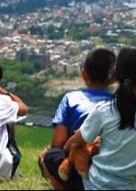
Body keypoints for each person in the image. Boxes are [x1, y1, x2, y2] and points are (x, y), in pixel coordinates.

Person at [62, 46, 136, 190]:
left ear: (117, 75)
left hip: (101, 186)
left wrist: (69, 147)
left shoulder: (104, 109)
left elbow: (73, 143)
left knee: (54, 156)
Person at [39, 47, 117, 190]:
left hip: (77, 168)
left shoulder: (71, 98)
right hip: (111, 168)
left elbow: (58, 143)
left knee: (50, 155)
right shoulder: (120, 102)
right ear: (113, 79)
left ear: (84, 75)